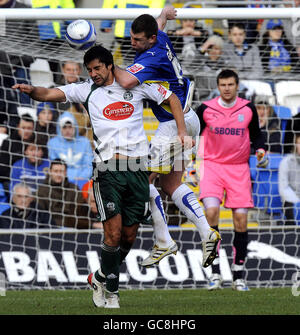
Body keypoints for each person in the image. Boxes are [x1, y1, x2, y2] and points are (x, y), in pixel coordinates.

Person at [12, 44, 192, 308]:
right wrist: (33, 92)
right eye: (90, 69)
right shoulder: (86, 89)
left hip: (138, 171)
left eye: (97, 68)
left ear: (110, 66)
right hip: (107, 170)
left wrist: (181, 130)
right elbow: (51, 92)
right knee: (113, 233)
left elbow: (172, 99)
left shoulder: (136, 85)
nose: (93, 73)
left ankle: (99, 277)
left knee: (129, 236)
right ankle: (112, 293)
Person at [113, 6, 221, 269]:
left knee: (141, 179)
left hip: (174, 125)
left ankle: (163, 240)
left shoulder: (151, 56)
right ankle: (207, 232)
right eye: (131, 37)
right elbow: (159, 24)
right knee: (171, 185)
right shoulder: (159, 37)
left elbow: (126, 81)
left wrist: (107, 62)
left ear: (149, 40)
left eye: (138, 40)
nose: (132, 43)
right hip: (189, 117)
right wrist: (163, 14)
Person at [196, 69, 268, 291]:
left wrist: (261, 150)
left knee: (240, 220)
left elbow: (256, 135)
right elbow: (194, 134)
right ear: (218, 86)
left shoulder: (247, 109)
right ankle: (215, 272)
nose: (226, 88)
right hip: (212, 167)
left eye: (230, 84)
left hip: (239, 169)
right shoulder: (206, 109)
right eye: (223, 85)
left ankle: (238, 275)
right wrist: (192, 161)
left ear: (237, 86)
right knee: (211, 212)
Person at [100, 0, 165, 63]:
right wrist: (106, 22)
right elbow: (109, 2)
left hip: (140, 31)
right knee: (134, 62)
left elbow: (157, 5)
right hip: (125, 31)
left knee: (142, 61)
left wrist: (106, 23)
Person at [36, 159, 89, 229]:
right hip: (49, 227)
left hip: (72, 226)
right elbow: (41, 215)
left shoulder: (74, 188)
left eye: (61, 171)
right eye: (56, 171)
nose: (58, 174)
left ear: (66, 172)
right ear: (50, 172)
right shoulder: (42, 190)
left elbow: (80, 211)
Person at [47, 111, 93, 182]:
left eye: (70, 127)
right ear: (59, 128)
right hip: (60, 180)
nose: (67, 130)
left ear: (75, 128)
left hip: (82, 180)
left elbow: (89, 166)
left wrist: (80, 178)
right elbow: (54, 166)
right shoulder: (53, 143)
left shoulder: (84, 142)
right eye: (64, 127)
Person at [0, 113, 35, 199]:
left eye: (29, 128)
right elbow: (2, 169)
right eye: (23, 128)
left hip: (33, 178)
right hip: (12, 180)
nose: (26, 131)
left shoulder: (37, 142)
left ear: (33, 129)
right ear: (18, 127)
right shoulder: (8, 143)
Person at [278, 133, 300, 225]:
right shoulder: (286, 162)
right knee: (290, 207)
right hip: (292, 200)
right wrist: (298, 203)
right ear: (295, 145)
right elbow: (283, 189)